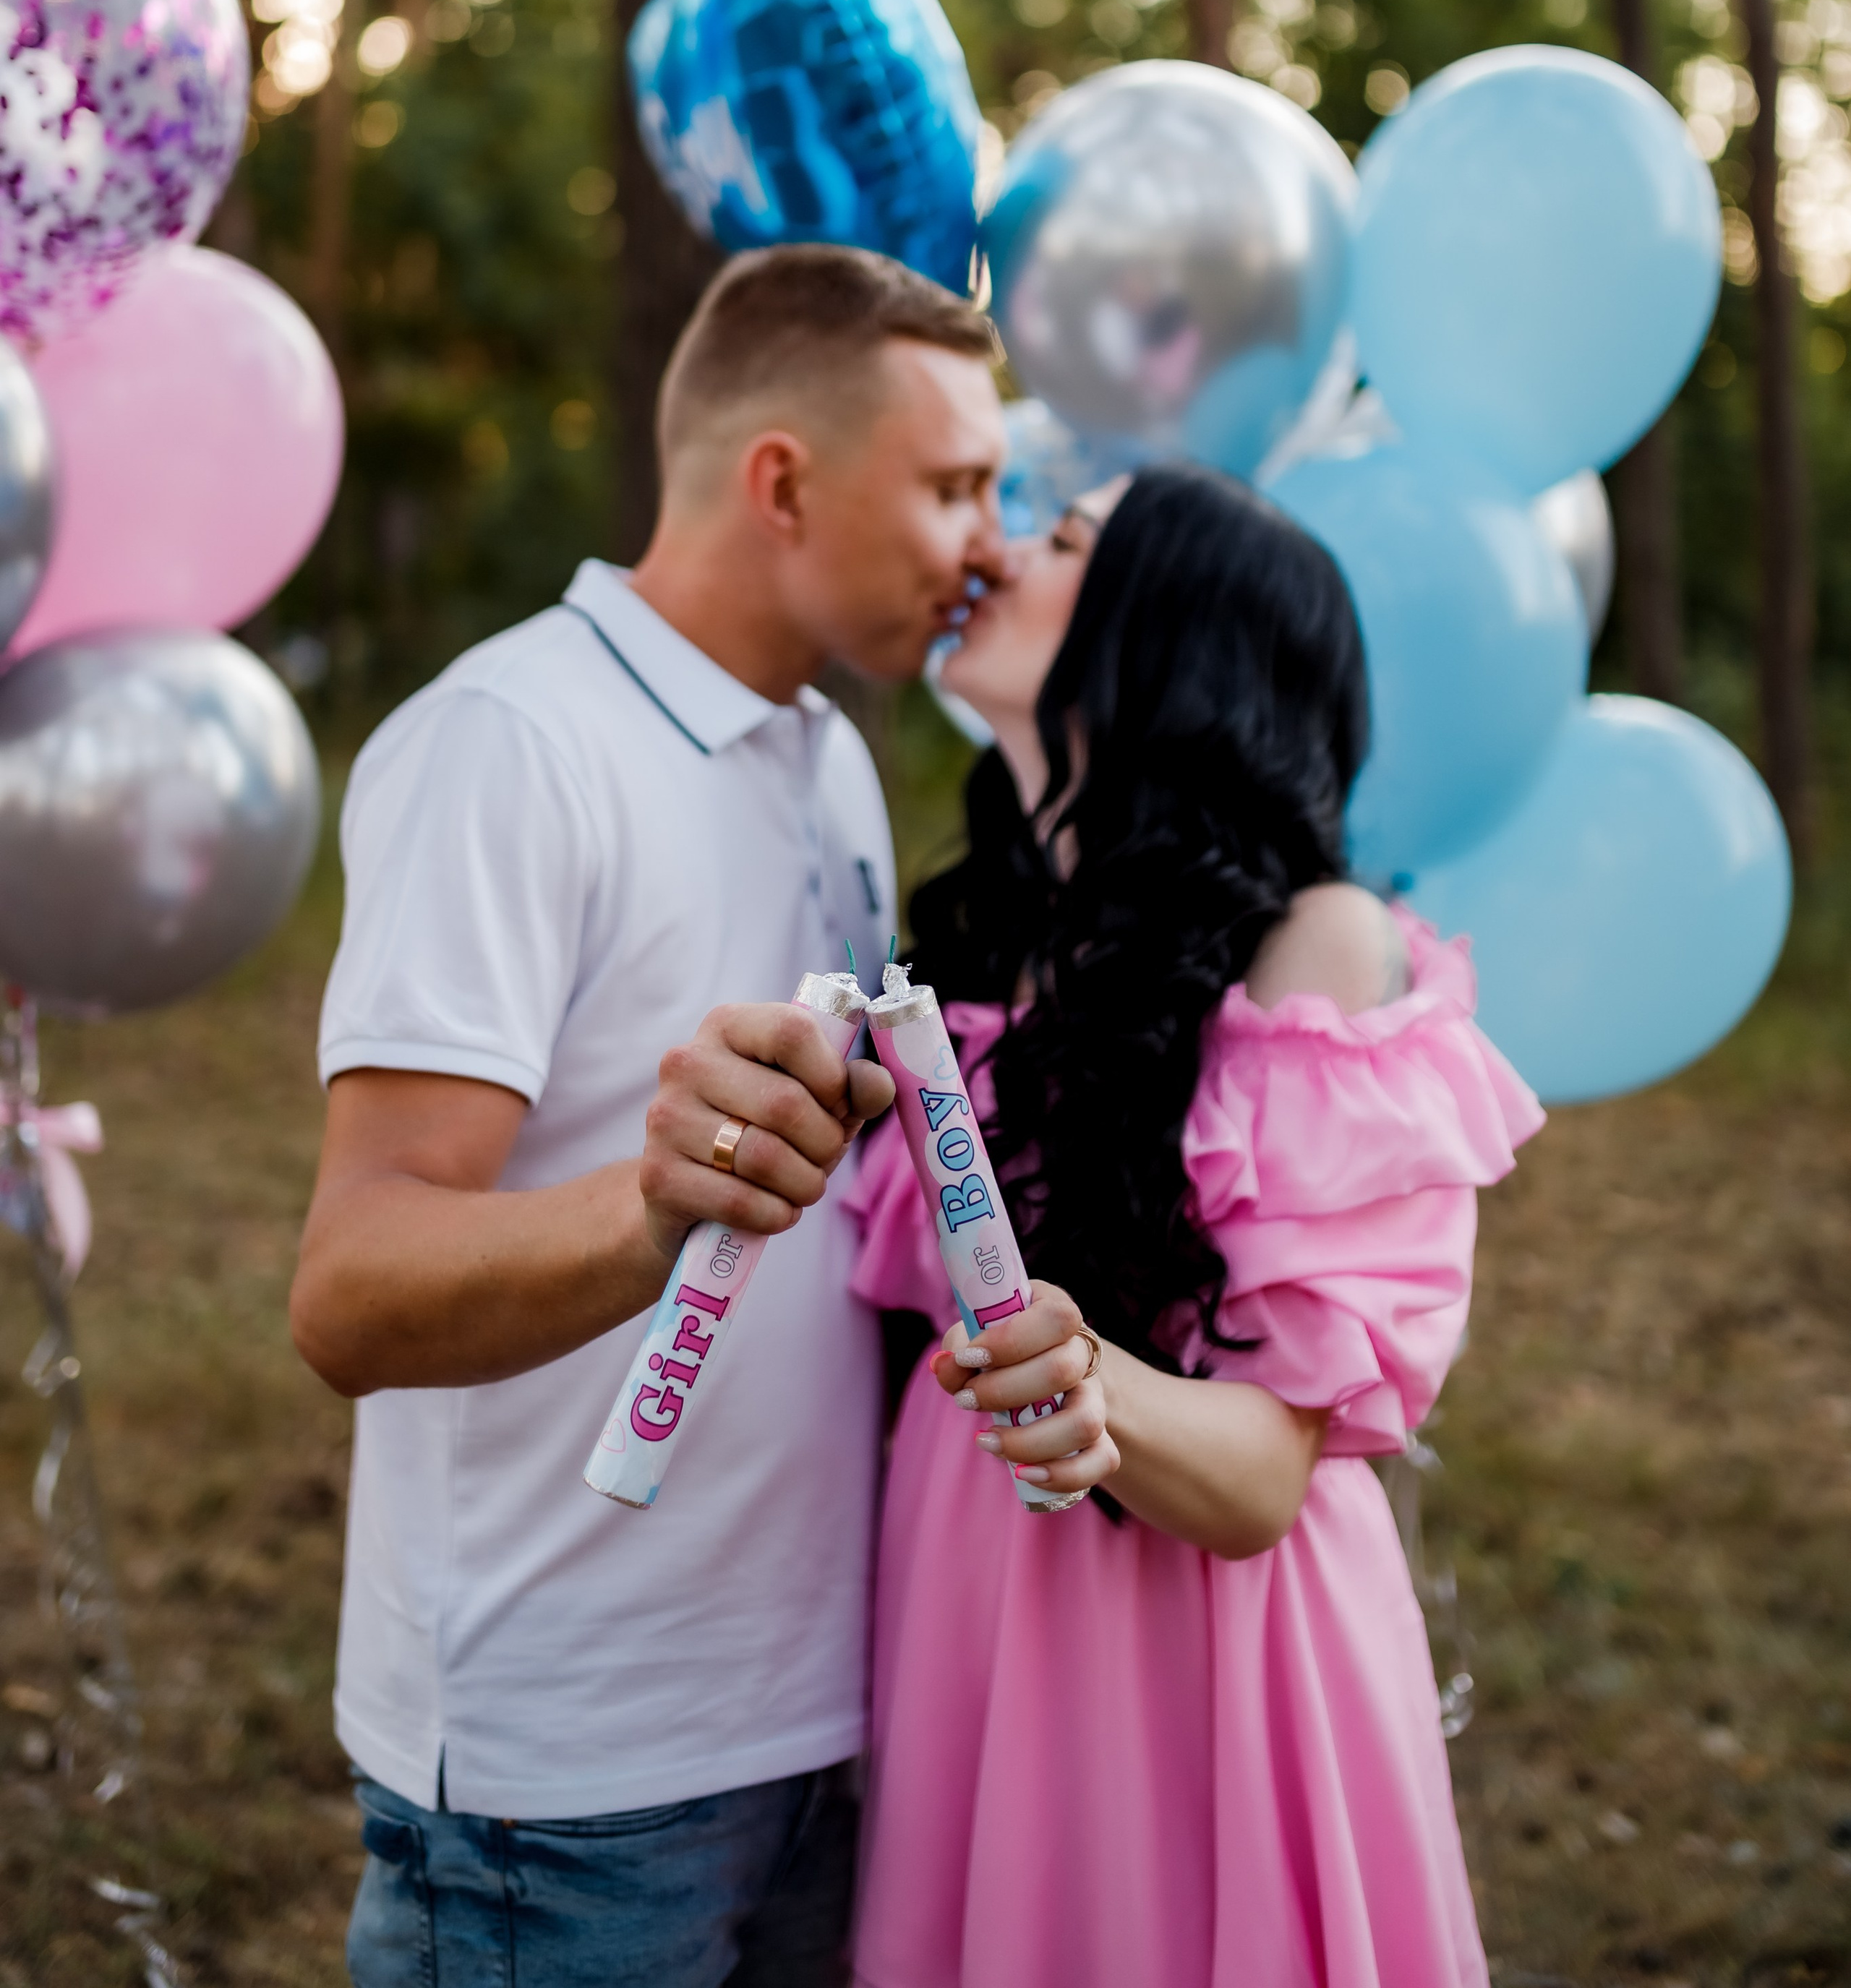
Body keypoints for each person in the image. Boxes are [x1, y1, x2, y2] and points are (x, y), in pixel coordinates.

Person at [288, 243, 1009, 1988]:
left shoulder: (829, 755)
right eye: (949, 487)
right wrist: (648, 1204)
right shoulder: (508, 745)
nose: (983, 544)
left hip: (808, 1725)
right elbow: (350, 1288)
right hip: (568, 1794)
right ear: (782, 482)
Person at [845, 465, 1545, 1988]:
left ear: (1170, 639)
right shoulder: (982, 957)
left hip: (1198, 1643)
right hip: (976, 1596)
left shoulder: (1314, 950)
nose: (997, 550)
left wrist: (1092, 1380)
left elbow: (1257, 1480)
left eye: (1060, 540)